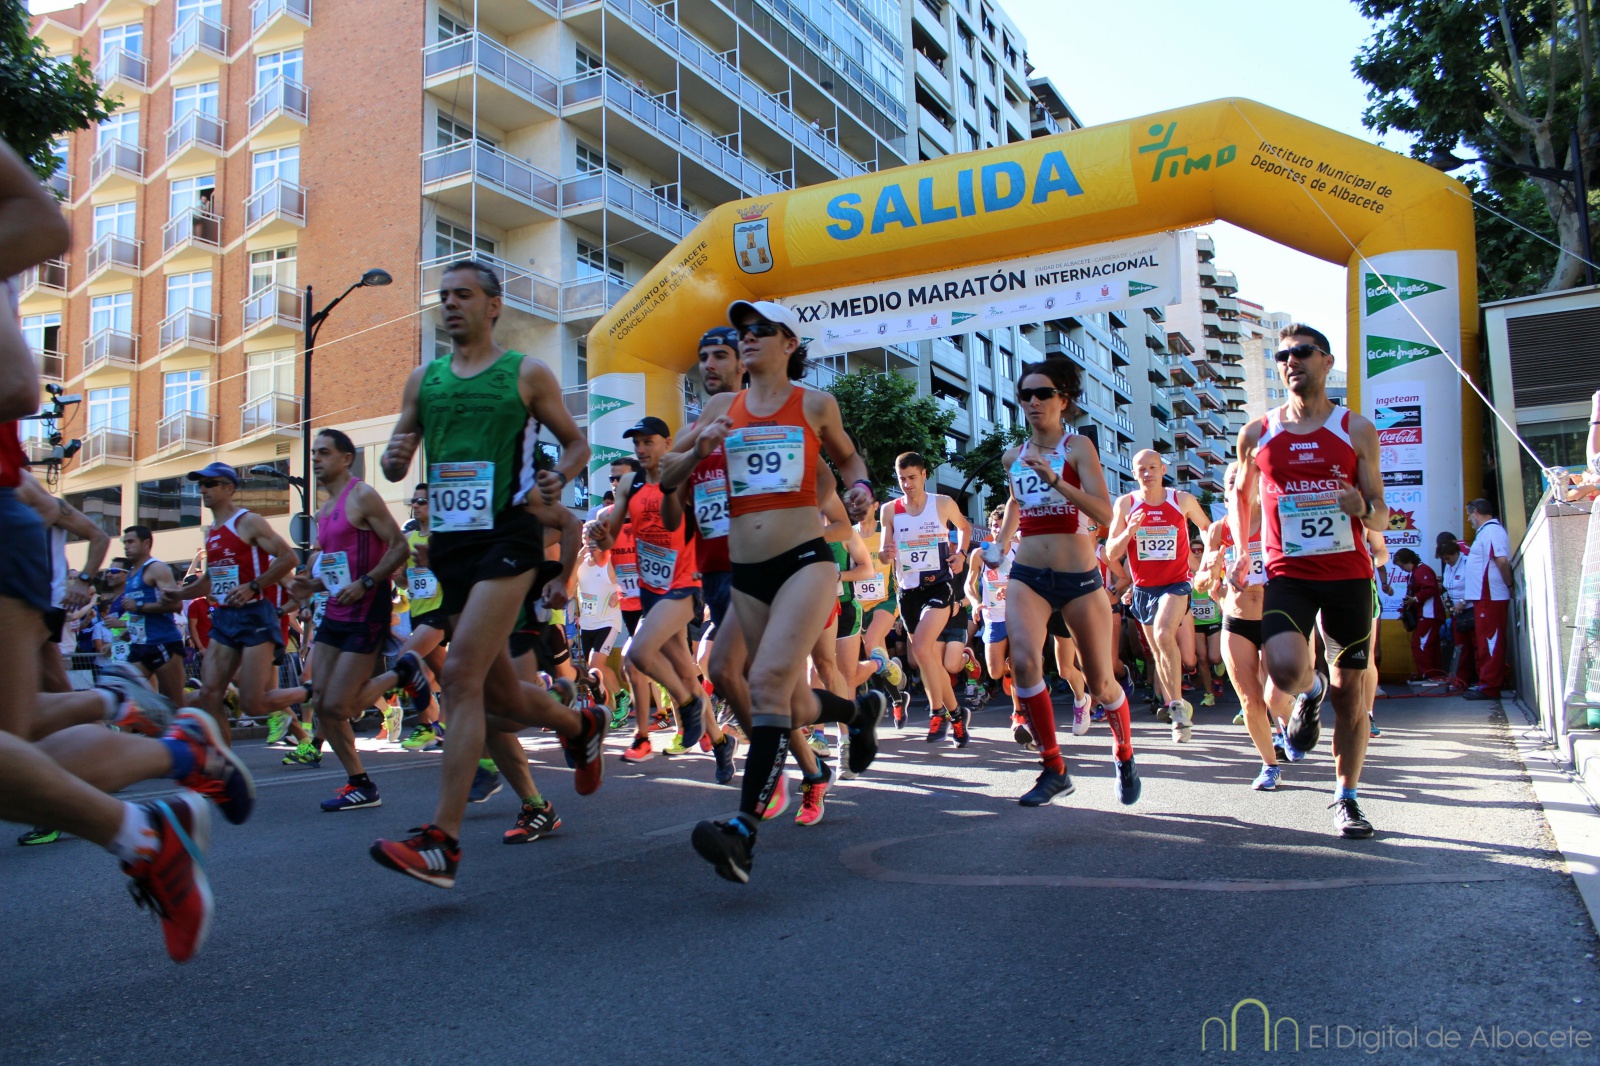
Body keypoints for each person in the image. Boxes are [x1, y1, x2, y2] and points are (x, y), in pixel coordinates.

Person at [0, 134, 238, 961]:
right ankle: (164, 754)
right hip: (17, 524)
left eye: (215, 485)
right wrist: (89, 567)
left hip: (8, 521)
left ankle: (147, 815)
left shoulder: (230, 536)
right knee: (19, 737)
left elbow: (20, 388)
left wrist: (90, 561)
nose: (207, 494)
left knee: (21, 732)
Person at [369, 259, 596, 888]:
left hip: (510, 534)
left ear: (493, 305)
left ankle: (442, 841)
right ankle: (581, 724)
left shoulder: (524, 373)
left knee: (462, 674)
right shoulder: (425, 379)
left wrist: (562, 475)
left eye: (463, 295)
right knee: (498, 697)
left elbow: (575, 442)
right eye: (443, 296)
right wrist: (393, 455)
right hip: (452, 548)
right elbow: (397, 456)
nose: (450, 305)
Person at [672, 299, 882, 883]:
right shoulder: (720, 407)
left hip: (805, 562)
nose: (748, 338)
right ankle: (857, 709)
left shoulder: (814, 404)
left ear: (789, 343)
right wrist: (698, 447)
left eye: (761, 330)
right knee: (748, 683)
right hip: (748, 573)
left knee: (767, 683)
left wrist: (860, 485)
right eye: (743, 331)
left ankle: (742, 829)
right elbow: (665, 473)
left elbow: (847, 455)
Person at [1231, 324, 1389, 839]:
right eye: (1282, 355)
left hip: (1348, 575)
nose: (1291, 361)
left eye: (1302, 352)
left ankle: (1346, 798)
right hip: (1288, 572)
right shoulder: (1258, 433)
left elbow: (1383, 514)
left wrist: (1362, 508)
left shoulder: (1356, 429)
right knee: (1283, 667)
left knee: (1352, 697)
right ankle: (1308, 689)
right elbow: (1242, 494)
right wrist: (1241, 550)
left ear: (1326, 361)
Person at [993, 358, 1130, 806]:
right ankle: (1053, 768)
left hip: (1078, 576)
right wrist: (999, 543)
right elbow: (1016, 504)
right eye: (1026, 395)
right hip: (1028, 574)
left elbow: (1106, 515)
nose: (1033, 402)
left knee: (1100, 681)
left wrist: (1056, 480)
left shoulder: (1078, 449)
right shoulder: (1013, 456)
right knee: (1027, 664)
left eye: (1043, 393)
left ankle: (1124, 752)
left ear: (1063, 399)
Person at [284, 429, 410, 812]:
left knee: (337, 705)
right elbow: (334, 570)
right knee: (322, 702)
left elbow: (399, 546)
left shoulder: (362, 496)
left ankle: (404, 674)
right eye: (313, 453)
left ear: (346, 458)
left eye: (323, 453)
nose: (316, 459)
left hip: (366, 611)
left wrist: (368, 581)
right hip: (335, 614)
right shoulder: (324, 510)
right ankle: (361, 784)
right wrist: (308, 586)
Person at [182, 462, 298, 745]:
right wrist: (175, 595)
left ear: (229, 488)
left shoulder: (248, 521)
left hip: (256, 616)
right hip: (224, 617)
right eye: (201, 484)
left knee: (253, 703)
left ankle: (312, 692)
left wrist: (254, 586)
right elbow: (210, 580)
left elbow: (289, 559)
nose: (203, 489)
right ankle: (223, 763)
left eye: (210, 484)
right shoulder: (211, 532)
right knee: (210, 694)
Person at [1106, 450, 1210, 740]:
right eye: (1142, 469)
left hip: (1176, 584)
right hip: (1143, 589)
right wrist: (1130, 530)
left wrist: (1209, 564)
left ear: (1163, 469)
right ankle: (1173, 701)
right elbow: (1111, 552)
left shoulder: (1182, 500)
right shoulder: (1126, 504)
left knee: (1165, 635)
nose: (1148, 473)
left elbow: (1208, 529)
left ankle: (1177, 709)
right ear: (1135, 472)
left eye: (1153, 467)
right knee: (1158, 650)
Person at [1199, 461, 1284, 789]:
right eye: (1231, 482)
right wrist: (1210, 571)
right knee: (1250, 700)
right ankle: (1269, 764)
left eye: (1244, 480)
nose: (1238, 487)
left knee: (1277, 695)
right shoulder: (1219, 530)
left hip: (1277, 616)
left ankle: (1292, 726)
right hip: (1235, 620)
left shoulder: (1277, 520)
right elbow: (1201, 583)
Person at [879, 452, 972, 744]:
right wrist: (886, 554)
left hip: (938, 587)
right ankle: (956, 715)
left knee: (920, 647)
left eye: (912, 478)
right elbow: (883, 552)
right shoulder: (890, 510)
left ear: (924, 474)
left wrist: (961, 554)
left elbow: (965, 528)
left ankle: (937, 711)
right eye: (902, 479)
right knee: (925, 657)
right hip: (907, 592)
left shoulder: (941, 503)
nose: (907, 484)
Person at [116, 525, 188, 705]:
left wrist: (138, 606)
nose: (126, 546)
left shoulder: (156, 568)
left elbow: (176, 604)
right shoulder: (132, 574)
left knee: (175, 703)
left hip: (163, 643)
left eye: (131, 542)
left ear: (146, 543)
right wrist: (131, 629)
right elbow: (138, 613)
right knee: (127, 699)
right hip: (140, 645)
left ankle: (219, 698)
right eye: (125, 543)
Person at [1459, 498, 1513, 700]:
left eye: (1469, 515)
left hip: (1491, 596)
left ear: (1476, 512)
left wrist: (1508, 585)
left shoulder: (1492, 531)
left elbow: (1501, 560)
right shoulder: (1486, 532)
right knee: (1485, 642)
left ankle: (1490, 686)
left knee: (1491, 642)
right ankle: (1486, 683)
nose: (1469, 519)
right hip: (1484, 597)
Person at [1394, 548, 1443, 678]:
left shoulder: (1422, 570)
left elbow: (1430, 588)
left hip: (1429, 614)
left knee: (1420, 644)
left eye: (1401, 565)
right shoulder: (1415, 573)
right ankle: (1434, 675)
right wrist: (1406, 612)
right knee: (1431, 646)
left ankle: (1428, 675)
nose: (1402, 569)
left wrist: (1415, 599)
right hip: (1424, 615)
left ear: (1408, 561)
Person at [1187, 532, 1222, 708]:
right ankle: (1209, 694)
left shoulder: (1212, 568)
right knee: (1202, 658)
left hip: (1213, 619)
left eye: (1200, 550)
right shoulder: (1186, 571)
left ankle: (1219, 671)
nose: (1197, 553)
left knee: (1215, 658)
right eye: (1193, 550)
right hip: (1196, 622)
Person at [1436, 531, 1473, 683]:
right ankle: (1461, 679)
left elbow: (1476, 584)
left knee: (1475, 647)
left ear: (1456, 552)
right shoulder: (1448, 567)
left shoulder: (1468, 563)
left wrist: (1464, 601)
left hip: (1471, 610)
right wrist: (1450, 606)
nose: (1447, 561)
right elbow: (1447, 588)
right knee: (1460, 647)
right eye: (1444, 560)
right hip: (1456, 614)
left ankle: (1476, 679)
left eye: (1448, 558)